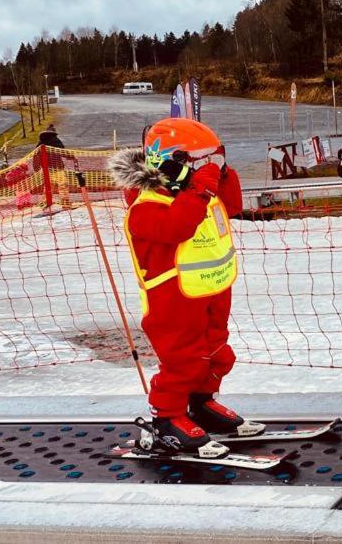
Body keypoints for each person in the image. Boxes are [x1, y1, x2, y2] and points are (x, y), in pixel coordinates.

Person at [108, 117, 264, 458]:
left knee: (217, 354)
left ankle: (200, 403)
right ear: (172, 163)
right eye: (202, 162)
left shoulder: (196, 194)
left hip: (210, 289)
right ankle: (166, 419)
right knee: (183, 362)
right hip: (172, 298)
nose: (211, 170)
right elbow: (178, 227)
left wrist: (222, 175)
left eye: (216, 159)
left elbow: (232, 206)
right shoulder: (146, 206)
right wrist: (200, 187)